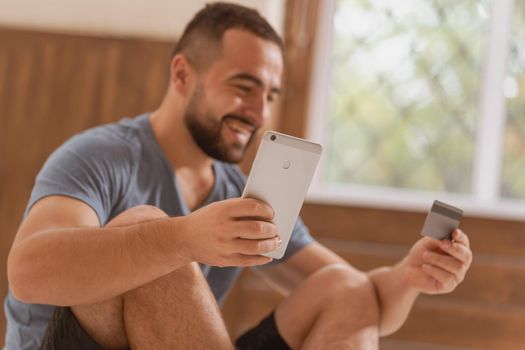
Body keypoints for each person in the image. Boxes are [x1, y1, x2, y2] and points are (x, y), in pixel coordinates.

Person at [5, 2, 473, 349]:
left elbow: (367, 304)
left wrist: (411, 276)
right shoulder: (100, 156)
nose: (258, 111)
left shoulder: (238, 191)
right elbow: (27, 274)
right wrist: (184, 238)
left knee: (343, 289)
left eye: (270, 94)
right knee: (146, 228)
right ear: (183, 75)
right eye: (243, 87)